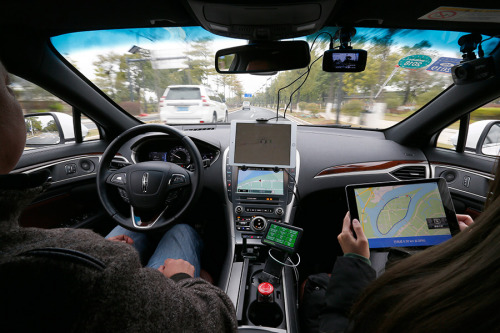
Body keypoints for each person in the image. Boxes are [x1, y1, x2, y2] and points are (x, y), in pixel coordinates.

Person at [0, 60, 237, 332]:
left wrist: (108, 250)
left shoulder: (69, 257)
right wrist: (185, 279)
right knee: (182, 230)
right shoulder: (84, 267)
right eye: (8, 87)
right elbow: (216, 320)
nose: (14, 97)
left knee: (132, 231)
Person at [316, 171, 500, 332]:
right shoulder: (484, 294)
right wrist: (471, 248)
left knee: (314, 287)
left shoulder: (419, 315)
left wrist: (354, 260)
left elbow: (341, 325)